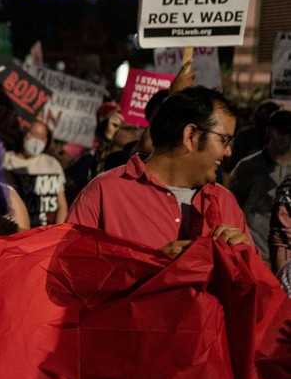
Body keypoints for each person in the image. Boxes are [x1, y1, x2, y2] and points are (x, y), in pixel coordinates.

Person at [67, 87, 252, 257]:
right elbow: (69, 273)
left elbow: (257, 287)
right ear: (191, 135)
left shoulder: (225, 201)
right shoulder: (104, 194)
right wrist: (150, 269)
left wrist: (243, 258)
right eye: (224, 140)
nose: (228, 152)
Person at [229, 109, 291, 261]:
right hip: (256, 252)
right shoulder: (248, 167)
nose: (286, 138)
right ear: (269, 131)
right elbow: (232, 207)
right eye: (281, 132)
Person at [4, 120, 67, 227]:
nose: (37, 139)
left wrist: (57, 233)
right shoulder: (5, 160)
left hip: (44, 232)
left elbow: (62, 206)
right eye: (34, 133)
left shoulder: (52, 163)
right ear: (25, 134)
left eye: (42, 136)